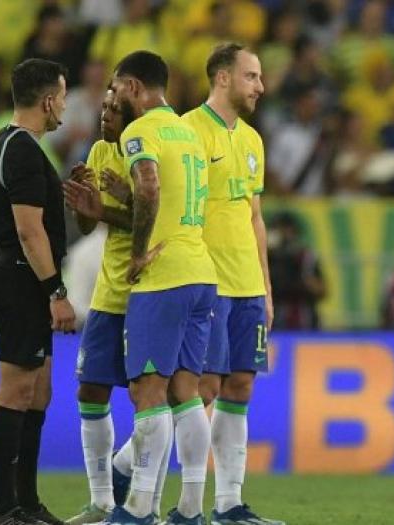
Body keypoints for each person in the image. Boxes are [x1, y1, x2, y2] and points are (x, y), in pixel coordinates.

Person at [100, 50, 218, 525]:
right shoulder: (191, 132)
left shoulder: (139, 132)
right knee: (186, 392)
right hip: (200, 271)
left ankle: (139, 507)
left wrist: (137, 251)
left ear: (132, 87)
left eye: (115, 87)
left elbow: (149, 186)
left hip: (164, 275)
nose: (113, 97)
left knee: (147, 394)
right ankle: (189, 510)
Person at [181, 42, 283, 525]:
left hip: (245, 286)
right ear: (222, 78)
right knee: (201, 388)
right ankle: (186, 502)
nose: (260, 86)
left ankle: (229, 505)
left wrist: (265, 287)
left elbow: (255, 218)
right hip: (205, 283)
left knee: (240, 385)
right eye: (251, 76)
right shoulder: (187, 132)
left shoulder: (253, 141)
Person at [0, 57, 72, 525]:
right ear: (49, 99)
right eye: (64, 97)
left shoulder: (6, 143)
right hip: (22, 278)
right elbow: (29, 231)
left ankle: (27, 504)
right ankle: (4, 510)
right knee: (15, 392)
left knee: (38, 392)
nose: (65, 108)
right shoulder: (22, 150)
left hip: (18, 276)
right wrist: (56, 291)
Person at [60, 88, 132, 525]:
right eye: (103, 107)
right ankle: (102, 500)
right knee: (90, 388)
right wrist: (84, 205)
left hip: (151, 288)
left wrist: (107, 207)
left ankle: (139, 497)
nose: (104, 115)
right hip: (108, 291)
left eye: (112, 108)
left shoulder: (151, 149)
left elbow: (155, 219)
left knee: (154, 400)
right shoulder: (101, 151)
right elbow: (90, 224)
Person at [268, 211, 325, 330]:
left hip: (303, 316)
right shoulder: (268, 257)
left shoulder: (305, 256)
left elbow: (322, 290)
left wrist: (301, 277)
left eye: (286, 230)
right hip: (276, 316)